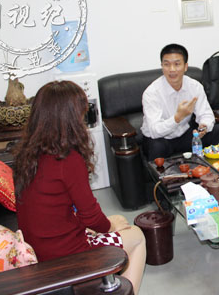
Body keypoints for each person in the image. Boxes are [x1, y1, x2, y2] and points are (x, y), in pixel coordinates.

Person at [14, 81, 146, 294]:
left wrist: (106, 224)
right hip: (65, 254)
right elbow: (91, 217)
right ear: (71, 119)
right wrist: (110, 226)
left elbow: (59, 210)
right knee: (137, 236)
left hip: (41, 247)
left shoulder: (28, 154)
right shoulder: (67, 158)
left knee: (116, 221)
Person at [141, 43, 219, 160]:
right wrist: (177, 118)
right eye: (167, 64)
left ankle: (218, 168)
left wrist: (204, 127)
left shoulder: (194, 86)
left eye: (177, 64)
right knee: (157, 146)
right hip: (160, 139)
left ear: (185, 66)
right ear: (162, 66)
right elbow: (155, 131)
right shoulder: (152, 93)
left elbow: (206, 114)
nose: (172, 69)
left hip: (184, 134)